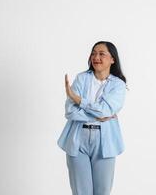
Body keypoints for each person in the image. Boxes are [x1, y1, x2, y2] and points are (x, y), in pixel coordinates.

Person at [57, 41, 127, 195]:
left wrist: (78, 100)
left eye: (102, 54)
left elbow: (106, 110)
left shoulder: (118, 85)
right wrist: (98, 115)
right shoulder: (82, 78)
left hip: (105, 143)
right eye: (94, 53)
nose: (96, 57)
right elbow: (70, 111)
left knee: (102, 191)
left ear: (112, 59)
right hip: (77, 140)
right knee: (81, 192)